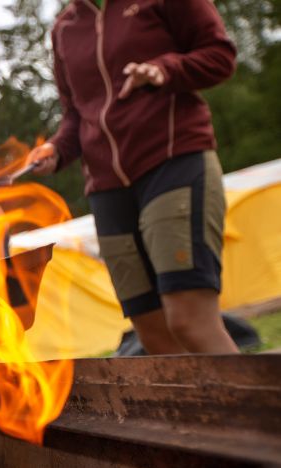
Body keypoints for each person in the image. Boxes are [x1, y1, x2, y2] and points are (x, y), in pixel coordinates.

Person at [29, 0, 239, 355]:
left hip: (173, 162)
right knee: (152, 332)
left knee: (188, 319)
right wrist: (56, 150)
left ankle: (258, 410)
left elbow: (220, 55)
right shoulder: (64, 27)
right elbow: (75, 117)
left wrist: (164, 70)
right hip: (106, 190)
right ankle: (195, 412)